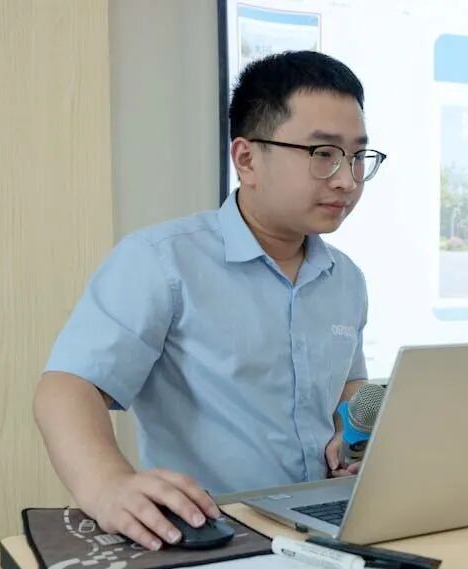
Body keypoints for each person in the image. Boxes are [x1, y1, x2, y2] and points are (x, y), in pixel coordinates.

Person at [33, 50, 387, 552]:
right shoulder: (162, 261)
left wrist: (351, 435)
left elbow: (348, 385)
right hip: (215, 532)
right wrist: (106, 484)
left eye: (356, 157)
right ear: (247, 159)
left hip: (326, 525)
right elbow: (68, 387)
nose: (347, 180)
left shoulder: (345, 278)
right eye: (323, 154)